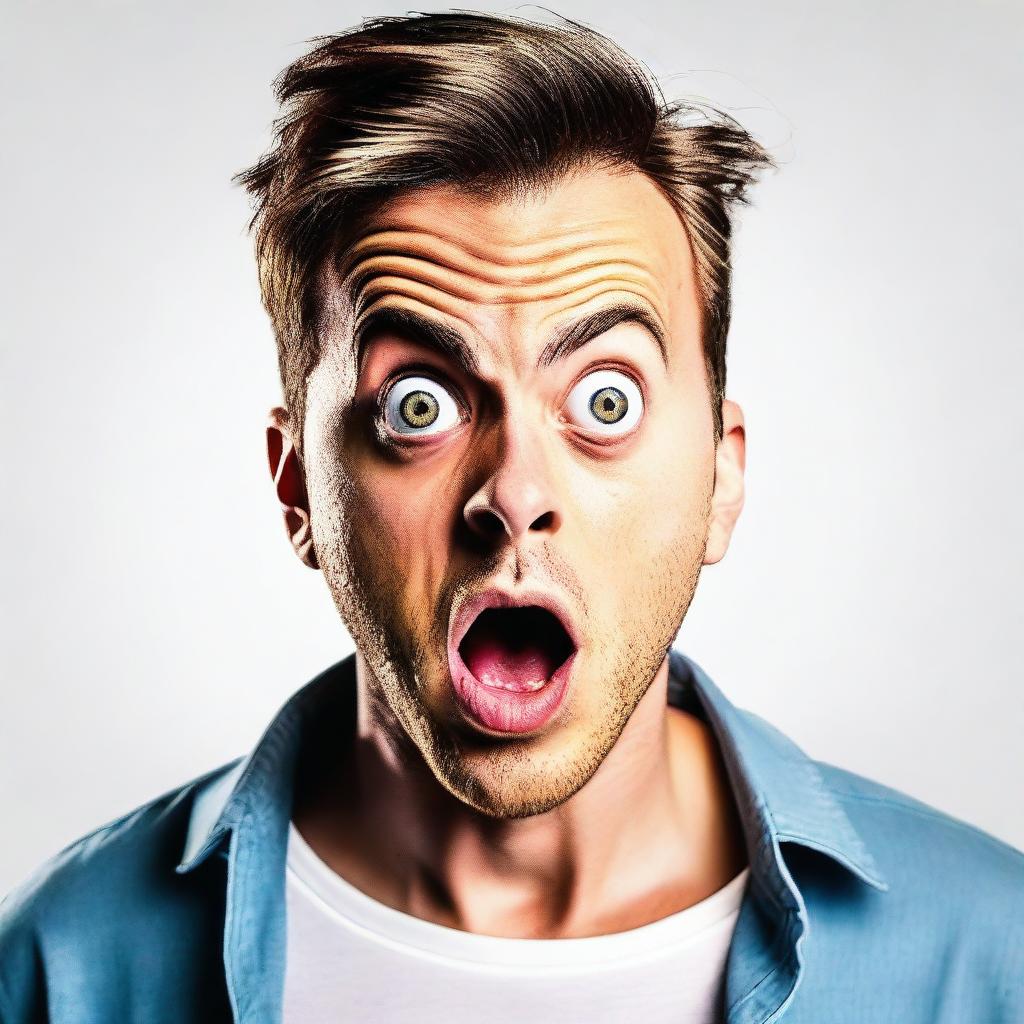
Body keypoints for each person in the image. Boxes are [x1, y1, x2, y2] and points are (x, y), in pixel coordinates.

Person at [2, 11, 1022, 1024]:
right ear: (296, 488)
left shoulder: (988, 958)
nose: (515, 495)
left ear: (720, 479)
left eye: (604, 399)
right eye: (419, 406)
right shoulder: (63, 967)